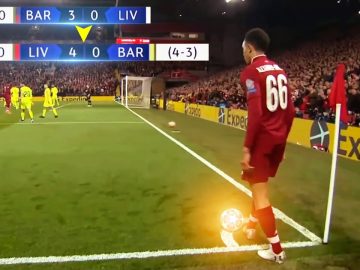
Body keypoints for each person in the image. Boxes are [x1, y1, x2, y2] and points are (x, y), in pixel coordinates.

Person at [240, 28, 295, 264]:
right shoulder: (280, 70)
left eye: (243, 49)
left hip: (261, 142)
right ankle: (252, 224)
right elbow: (290, 111)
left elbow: (256, 113)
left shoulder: (250, 73)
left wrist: (247, 148)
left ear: (250, 48)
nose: (242, 53)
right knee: (257, 185)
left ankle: (276, 249)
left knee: (260, 193)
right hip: (277, 140)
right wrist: (282, 143)